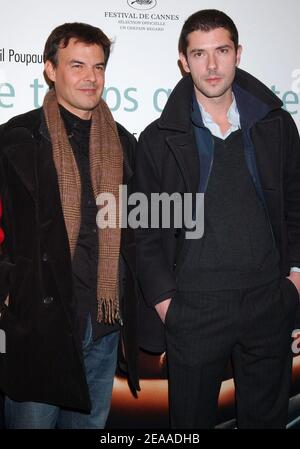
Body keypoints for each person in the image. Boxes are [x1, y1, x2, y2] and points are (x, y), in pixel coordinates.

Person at [136, 9, 300, 428]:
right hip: (193, 308)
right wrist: (168, 305)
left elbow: (296, 206)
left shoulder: (276, 126)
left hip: (269, 300)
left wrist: (295, 282)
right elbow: (144, 232)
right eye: (199, 53)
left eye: (222, 51)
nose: (211, 65)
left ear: (238, 53)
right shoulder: (159, 139)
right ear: (183, 60)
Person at [0, 22, 139, 429]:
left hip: (103, 325)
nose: (90, 77)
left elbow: (137, 228)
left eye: (98, 67)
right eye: (77, 65)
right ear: (50, 69)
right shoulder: (15, 140)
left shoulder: (123, 143)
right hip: (40, 326)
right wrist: (9, 291)